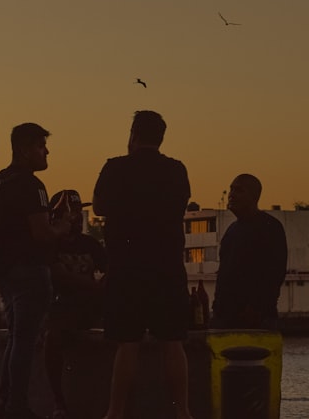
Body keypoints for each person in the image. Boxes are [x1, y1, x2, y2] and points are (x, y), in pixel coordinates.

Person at [92, 110, 194, 419]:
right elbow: (180, 203)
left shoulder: (115, 168)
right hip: (167, 266)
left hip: (126, 266)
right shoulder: (176, 170)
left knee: (128, 343)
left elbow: (98, 206)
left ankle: (115, 412)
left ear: (133, 135)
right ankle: (182, 412)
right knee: (173, 342)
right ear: (161, 137)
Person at [0, 122, 72, 419]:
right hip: (29, 274)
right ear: (23, 149)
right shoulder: (33, 186)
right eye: (40, 146)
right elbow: (42, 234)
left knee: (15, 337)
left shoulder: (0, 181)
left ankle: (7, 400)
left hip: (4, 273)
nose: (47, 152)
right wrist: (64, 225)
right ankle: (17, 406)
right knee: (25, 340)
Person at [44, 189, 107, 419]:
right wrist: (95, 287)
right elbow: (59, 276)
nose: (77, 218)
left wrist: (105, 285)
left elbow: (112, 269)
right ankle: (59, 401)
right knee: (53, 337)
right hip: (61, 308)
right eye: (71, 213)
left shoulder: (91, 244)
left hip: (90, 308)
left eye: (79, 213)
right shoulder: (50, 245)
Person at [211, 174, 288, 329]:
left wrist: (256, 308)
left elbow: (275, 273)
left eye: (239, 190)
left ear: (254, 196)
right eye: (231, 190)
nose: (231, 195)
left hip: (254, 320)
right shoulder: (231, 231)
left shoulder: (270, 227)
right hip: (226, 318)